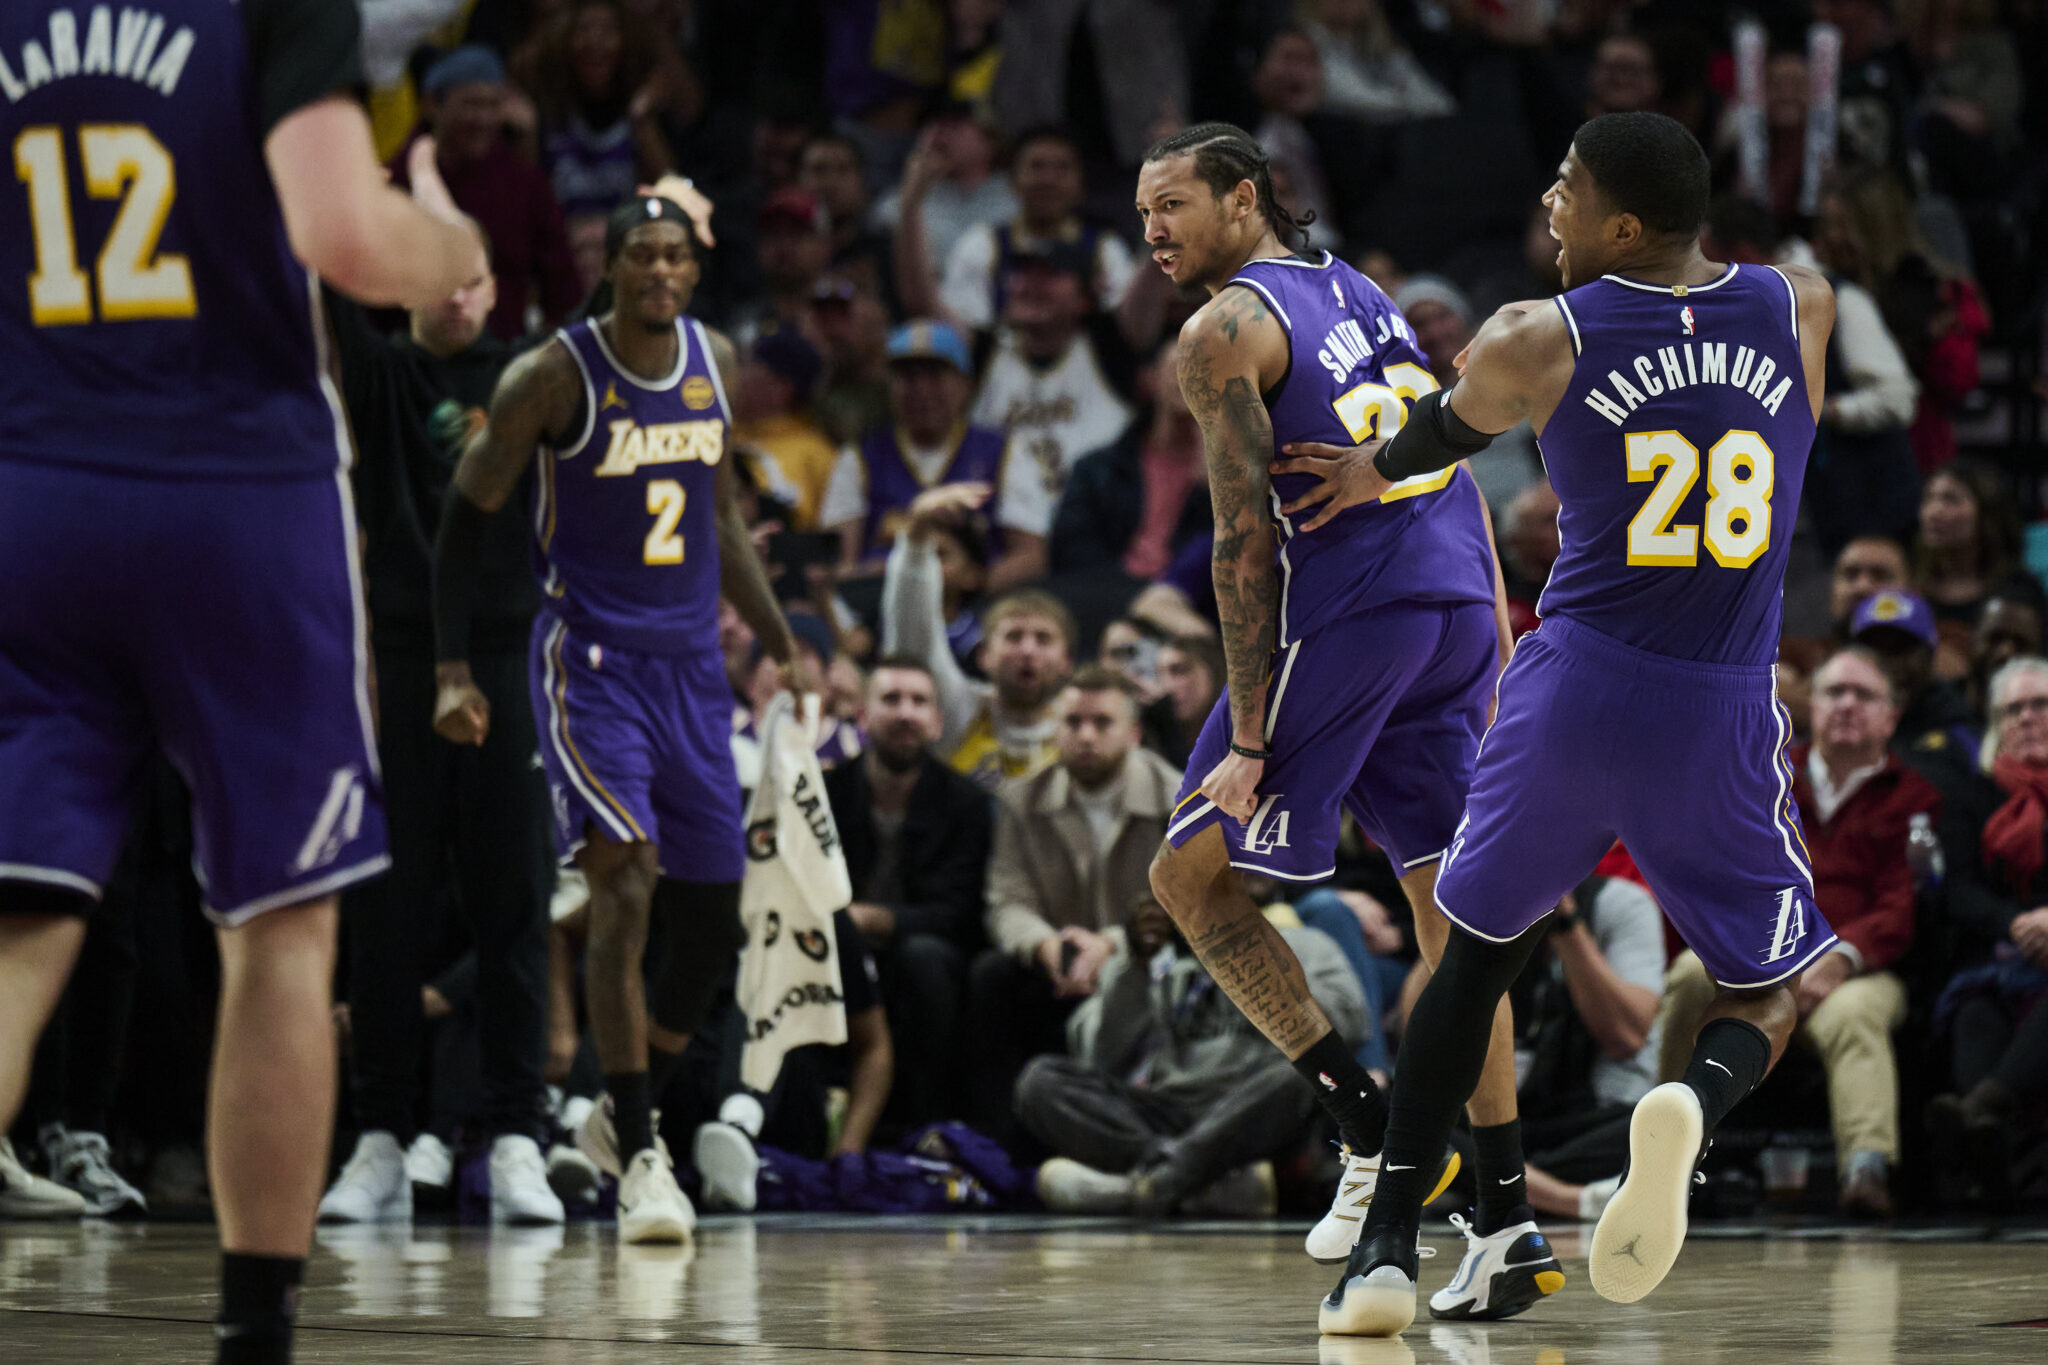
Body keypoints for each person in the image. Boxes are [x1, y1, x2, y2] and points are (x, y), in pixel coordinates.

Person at [1292, 112, 1835, 1335]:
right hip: (1722, 700)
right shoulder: (1800, 304)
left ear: (1620, 227)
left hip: (1578, 685)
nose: (1547, 199)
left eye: (1567, 187)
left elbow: (1437, 437)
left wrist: (1365, 471)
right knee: (1765, 994)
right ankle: (1688, 1106)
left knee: (1471, 959)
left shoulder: (1536, 335)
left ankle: (1381, 1257)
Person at [0, 2, 486, 1359]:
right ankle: (254, 1334)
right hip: (234, 497)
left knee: (17, 927)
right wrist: (448, 245)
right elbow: (345, 235)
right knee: (278, 929)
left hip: (29, 489)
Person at [1131, 123, 1546, 1321]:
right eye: (1142, 214)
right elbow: (1452, 458)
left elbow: (1240, 541)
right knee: (1449, 922)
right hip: (1453, 606)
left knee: (1187, 877)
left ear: (1244, 198)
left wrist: (1250, 739)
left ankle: (1366, 1131)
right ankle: (1507, 1222)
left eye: (1171, 206)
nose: (1152, 232)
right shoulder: (1354, 286)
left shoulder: (1220, 331)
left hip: (1355, 608)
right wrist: (1500, 643)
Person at [431, 195, 809, 1245]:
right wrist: (451, 664)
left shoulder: (713, 361)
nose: (657, 269)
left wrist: (776, 637)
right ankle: (645, 1151)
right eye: (639, 252)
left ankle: (611, 1114)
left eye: (673, 254)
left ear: (693, 270)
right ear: (609, 267)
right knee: (624, 877)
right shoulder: (549, 376)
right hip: (589, 665)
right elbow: (467, 518)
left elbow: (721, 514)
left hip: (694, 667)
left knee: (707, 917)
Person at [317, 159, 560, 1228]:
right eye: (440, 273)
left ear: (495, 289)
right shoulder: (378, 377)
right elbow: (325, 286)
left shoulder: (528, 376)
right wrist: (368, 189)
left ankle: (517, 1133)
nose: (460, 292)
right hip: (402, 666)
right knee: (390, 912)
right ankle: (375, 1134)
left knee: (514, 901)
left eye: (475, 276)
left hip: (510, 660)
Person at [1659, 646, 1937, 1217]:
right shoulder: (1766, 778)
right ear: (1811, 704)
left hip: (1857, 970)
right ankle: (1662, 1149)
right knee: (1689, 972)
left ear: (1892, 716)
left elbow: (1904, 903)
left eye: (1865, 695)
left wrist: (1837, 959)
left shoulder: (1915, 798)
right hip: (1766, 956)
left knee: (1855, 1015)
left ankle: (1867, 1169)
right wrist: (1774, 955)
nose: (1848, 704)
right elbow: (1733, 874)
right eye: (1835, 692)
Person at [1025, 898, 1366, 1218]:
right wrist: (1136, 965)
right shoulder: (1155, 953)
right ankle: (1190, 1179)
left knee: (1312, 1075)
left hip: (1251, 1109)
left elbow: (1348, 1025)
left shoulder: (1304, 943)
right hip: (1164, 1108)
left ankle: (1143, 1186)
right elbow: (1100, 1058)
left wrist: (1255, 959)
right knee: (1039, 1081)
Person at [975, 668, 1183, 1143]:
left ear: (1133, 733)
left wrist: (1109, 945)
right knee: (992, 976)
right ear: (1054, 728)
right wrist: (1046, 944)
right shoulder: (1019, 797)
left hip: (1144, 961)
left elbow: (1183, 907)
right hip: (1057, 962)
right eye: (1073, 722)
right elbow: (1007, 900)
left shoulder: (1178, 799)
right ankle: (1001, 1146)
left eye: (1101, 723)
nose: (1085, 735)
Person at [825, 658, 994, 1124]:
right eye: (891, 699)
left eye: (919, 702)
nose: (905, 713)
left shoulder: (968, 803)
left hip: (923, 952)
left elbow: (962, 912)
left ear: (938, 722)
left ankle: (923, 1126)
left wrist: (875, 920)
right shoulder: (825, 793)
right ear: (862, 716)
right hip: (836, 944)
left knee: (925, 960)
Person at [821, 320, 1045, 586]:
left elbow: (1032, 557)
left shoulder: (1006, 451)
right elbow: (838, 565)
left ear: (967, 385)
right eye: (908, 376)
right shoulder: (858, 458)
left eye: (936, 375)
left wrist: (969, 583)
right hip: (883, 609)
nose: (922, 389)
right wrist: (890, 576)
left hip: (977, 612)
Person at [884, 488, 1077, 789]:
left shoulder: (1082, 728)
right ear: (984, 655)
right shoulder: (958, 710)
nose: (1027, 650)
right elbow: (913, 635)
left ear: (1068, 662)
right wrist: (917, 541)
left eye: (1043, 639)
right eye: (1013, 637)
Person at [395, 45, 583, 341]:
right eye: (470, 104)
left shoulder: (525, 185)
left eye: (492, 105)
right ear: (432, 104)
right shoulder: (395, 183)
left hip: (505, 359)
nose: (483, 119)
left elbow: (562, 289)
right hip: (414, 364)